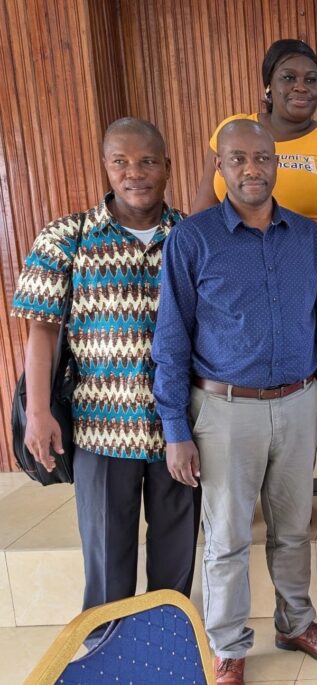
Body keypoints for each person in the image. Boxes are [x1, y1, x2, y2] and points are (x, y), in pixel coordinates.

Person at [153, 120, 317, 685]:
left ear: (276, 162)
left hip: (297, 403)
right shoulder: (192, 239)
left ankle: (296, 623)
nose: (251, 169)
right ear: (220, 167)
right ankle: (230, 645)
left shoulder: (309, 238)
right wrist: (175, 428)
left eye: (261, 158)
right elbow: (171, 338)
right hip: (222, 411)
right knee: (227, 538)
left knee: (292, 528)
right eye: (237, 159)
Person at [10, 117, 201, 645]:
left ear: (167, 166)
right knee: (108, 561)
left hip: (178, 430)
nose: (134, 173)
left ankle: (168, 653)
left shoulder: (192, 235)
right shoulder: (65, 237)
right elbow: (42, 330)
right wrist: (42, 411)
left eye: (147, 161)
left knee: (175, 556)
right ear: (106, 166)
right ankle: (106, 653)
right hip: (100, 428)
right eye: (121, 161)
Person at [192, 38, 317, 274]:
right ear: (268, 85)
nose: (301, 87)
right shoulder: (233, 130)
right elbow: (203, 214)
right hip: (233, 276)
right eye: (289, 77)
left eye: (311, 80)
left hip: (309, 281)